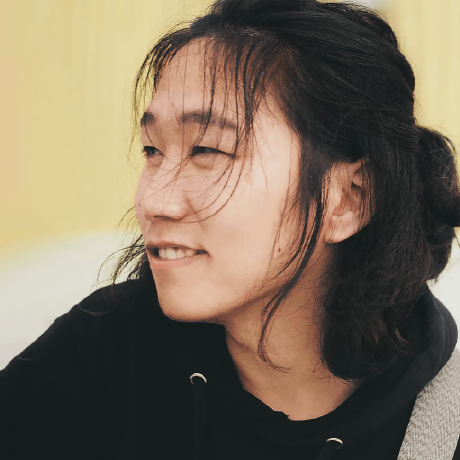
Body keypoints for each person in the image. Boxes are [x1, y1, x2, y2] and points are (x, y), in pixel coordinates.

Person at [1, 0, 460, 458]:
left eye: (207, 150)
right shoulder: (103, 357)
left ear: (348, 199)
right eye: (152, 150)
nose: (154, 201)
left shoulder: (442, 424)